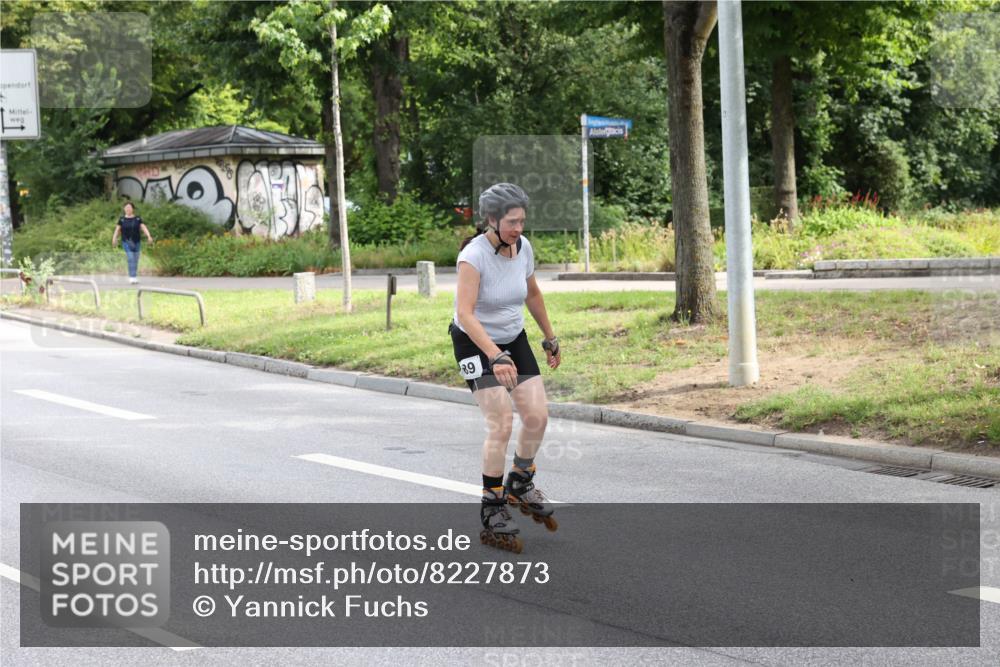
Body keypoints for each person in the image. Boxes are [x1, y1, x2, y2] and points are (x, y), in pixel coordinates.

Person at [450, 183, 562, 553]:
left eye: (522, 221)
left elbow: (532, 294)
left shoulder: (523, 247)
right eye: (512, 222)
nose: (518, 228)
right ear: (492, 219)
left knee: (537, 417)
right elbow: (465, 314)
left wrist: (549, 336)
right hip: (474, 342)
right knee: (501, 422)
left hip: (513, 337)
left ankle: (521, 480)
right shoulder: (473, 256)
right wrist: (495, 356)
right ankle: (492, 504)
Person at [111, 201, 153, 284]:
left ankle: (134, 276)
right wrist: (114, 238)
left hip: (137, 242)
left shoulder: (137, 219)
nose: (128, 209)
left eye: (129, 207)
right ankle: (132, 277)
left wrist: (149, 236)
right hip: (126, 242)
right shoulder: (122, 219)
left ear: (133, 209)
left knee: (135, 259)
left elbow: (143, 227)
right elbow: (117, 230)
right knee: (130, 258)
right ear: (124, 209)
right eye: (126, 207)